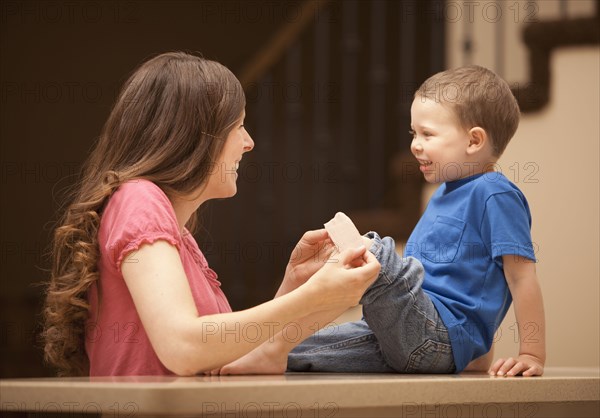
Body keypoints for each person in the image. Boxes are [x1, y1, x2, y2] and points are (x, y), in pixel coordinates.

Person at [41, 51, 381, 377]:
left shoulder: (178, 231)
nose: (248, 143)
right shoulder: (140, 199)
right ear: (192, 135)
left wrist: (295, 286)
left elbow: (229, 361)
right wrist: (314, 296)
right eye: (238, 127)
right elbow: (183, 347)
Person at [220, 65, 546, 377]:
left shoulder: (494, 193)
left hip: (433, 337)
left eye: (427, 134)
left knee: (370, 253)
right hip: (411, 338)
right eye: (413, 132)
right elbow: (468, 285)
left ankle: (273, 345)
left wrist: (531, 353)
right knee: (304, 348)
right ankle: (260, 350)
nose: (415, 144)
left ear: (474, 141)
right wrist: (476, 355)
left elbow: (520, 277)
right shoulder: (445, 195)